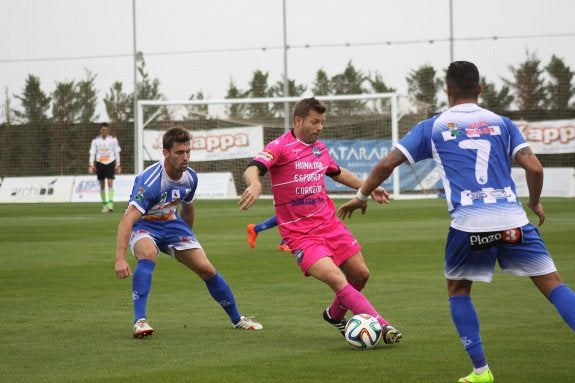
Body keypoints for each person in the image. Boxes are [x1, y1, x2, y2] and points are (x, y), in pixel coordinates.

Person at [338, 61, 575, 383]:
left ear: (447, 90)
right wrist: (533, 201)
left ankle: (481, 371)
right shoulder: (502, 123)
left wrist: (362, 196)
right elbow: (534, 168)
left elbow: (386, 164)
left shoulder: (432, 127)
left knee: (459, 290)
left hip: (470, 224)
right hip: (513, 220)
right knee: (554, 285)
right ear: (479, 88)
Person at [239, 97, 402, 344]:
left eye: (322, 123)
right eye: (315, 122)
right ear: (298, 120)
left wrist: (368, 187)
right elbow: (253, 167)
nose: (319, 127)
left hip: (330, 224)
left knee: (361, 275)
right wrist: (255, 182)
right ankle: (382, 325)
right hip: (300, 235)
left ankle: (334, 314)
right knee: (336, 279)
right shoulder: (280, 146)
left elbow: (337, 173)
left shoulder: (320, 149)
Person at [115, 126, 263, 338]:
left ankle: (237, 319)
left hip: (172, 223)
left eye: (187, 152)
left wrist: (186, 240)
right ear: (166, 153)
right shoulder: (151, 182)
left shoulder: (190, 177)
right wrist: (120, 259)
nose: (185, 157)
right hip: (144, 224)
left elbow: (188, 208)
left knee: (206, 268)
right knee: (148, 254)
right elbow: (127, 220)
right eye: (179, 153)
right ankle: (140, 321)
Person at [89, 122, 122, 213]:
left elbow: (117, 152)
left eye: (106, 130)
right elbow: (92, 153)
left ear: (108, 131)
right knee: (102, 184)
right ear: (100, 130)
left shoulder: (113, 140)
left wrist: (118, 164)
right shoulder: (95, 141)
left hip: (110, 162)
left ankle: (110, 204)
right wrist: (91, 164)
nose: (105, 131)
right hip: (100, 163)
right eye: (103, 130)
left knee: (110, 182)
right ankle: (104, 205)